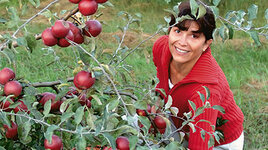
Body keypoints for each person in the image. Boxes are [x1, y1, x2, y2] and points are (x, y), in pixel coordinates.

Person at [152, 1, 244, 150]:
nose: (182, 42)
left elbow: (200, 146)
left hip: (218, 142)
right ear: (169, 31)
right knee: (132, 122)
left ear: (206, 44)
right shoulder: (161, 48)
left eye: (194, 36)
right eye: (178, 31)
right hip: (182, 123)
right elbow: (160, 79)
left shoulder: (205, 91)